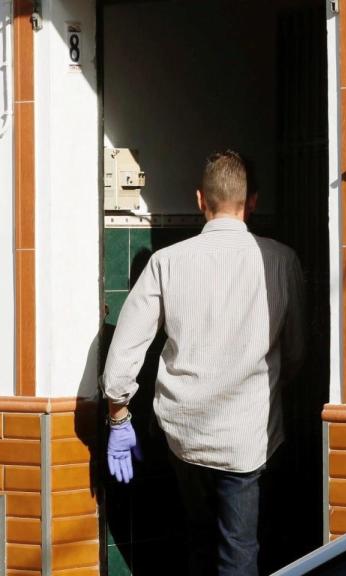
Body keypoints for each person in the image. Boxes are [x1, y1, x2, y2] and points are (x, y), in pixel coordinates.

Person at [101, 151, 305, 576]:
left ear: (200, 200)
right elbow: (297, 350)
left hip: (183, 434)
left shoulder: (166, 262)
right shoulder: (282, 260)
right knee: (239, 548)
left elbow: (125, 351)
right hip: (248, 437)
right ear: (251, 203)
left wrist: (118, 414)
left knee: (196, 537)